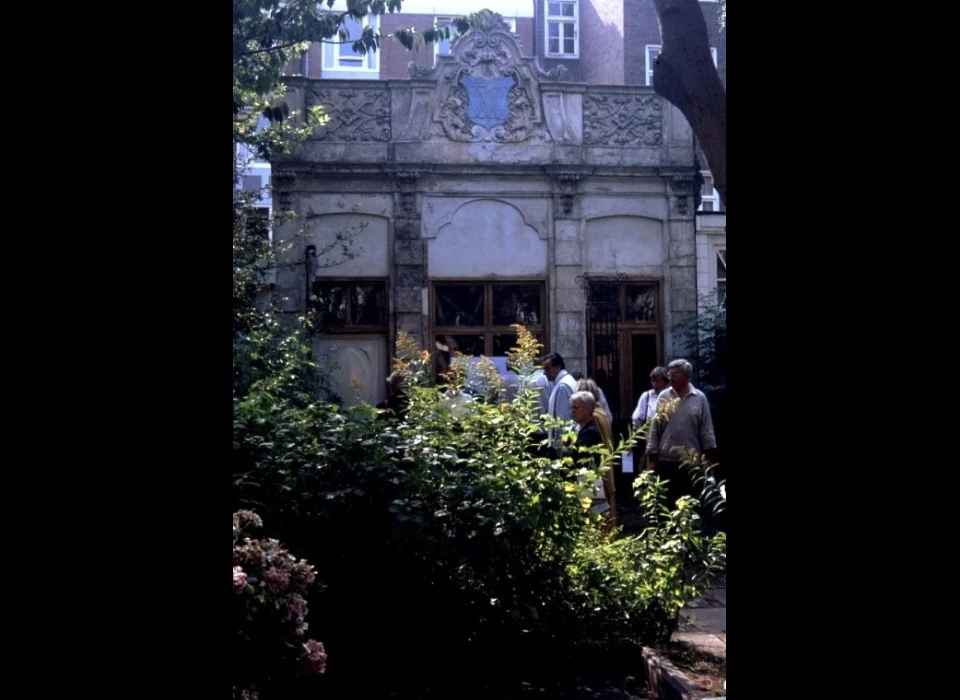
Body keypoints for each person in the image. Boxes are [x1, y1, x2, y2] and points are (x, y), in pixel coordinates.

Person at [645, 359, 717, 518]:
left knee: (691, 505)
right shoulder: (664, 396)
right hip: (666, 461)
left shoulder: (699, 398)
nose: (669, 378)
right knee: (667, 507)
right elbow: (655, 427)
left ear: (686, 376)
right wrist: (652, 455)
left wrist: (707, 459)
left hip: (691, 463)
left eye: (674, 374)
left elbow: (706, 429)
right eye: (668, 374)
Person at [569, 391, 616, 521]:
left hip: (588, 479)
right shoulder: (579, 427)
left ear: (588, 409)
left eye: (576, 407)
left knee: (594, 516)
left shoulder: (591, 431)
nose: (572, 411)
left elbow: (576, 454)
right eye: (571, 407)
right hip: (583, 478)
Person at [542, 352, 579, 447]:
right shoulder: (564, 382)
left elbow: (563, 420)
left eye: (547, 368)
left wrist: (560, 447)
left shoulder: (563, 386)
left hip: (562, 446)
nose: (544, 372)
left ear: (558, 367)